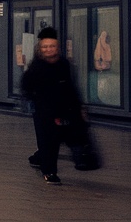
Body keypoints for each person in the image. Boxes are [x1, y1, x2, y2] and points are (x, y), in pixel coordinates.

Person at [21, 27, 84, 184]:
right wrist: (35, 100)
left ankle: (40, 157)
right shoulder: (36, 66)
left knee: (64, 137)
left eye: (52, 46)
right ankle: (49, 171)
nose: (49, 50)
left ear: (57, 48)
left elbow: (70, 86)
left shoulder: (64, 64)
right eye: (45, 47)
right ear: (40, 49)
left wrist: (78, 107)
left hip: (65, 109)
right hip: (44, 111)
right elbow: (26, 85)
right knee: (48, 139)